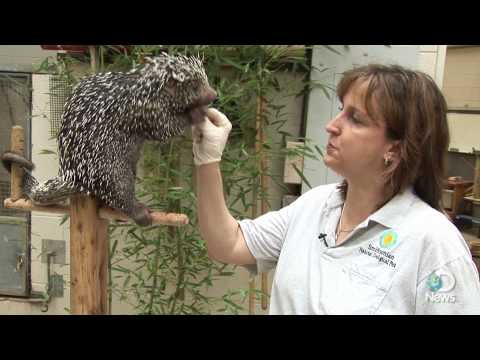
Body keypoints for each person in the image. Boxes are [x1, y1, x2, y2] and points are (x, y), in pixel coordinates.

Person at [192, 63, 480, 315]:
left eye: (355, 118)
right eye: (341, 110)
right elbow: (228, 243)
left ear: (395, 148)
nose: (332, 125)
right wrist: (208, 159)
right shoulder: (315, 205)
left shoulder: (434, 244)